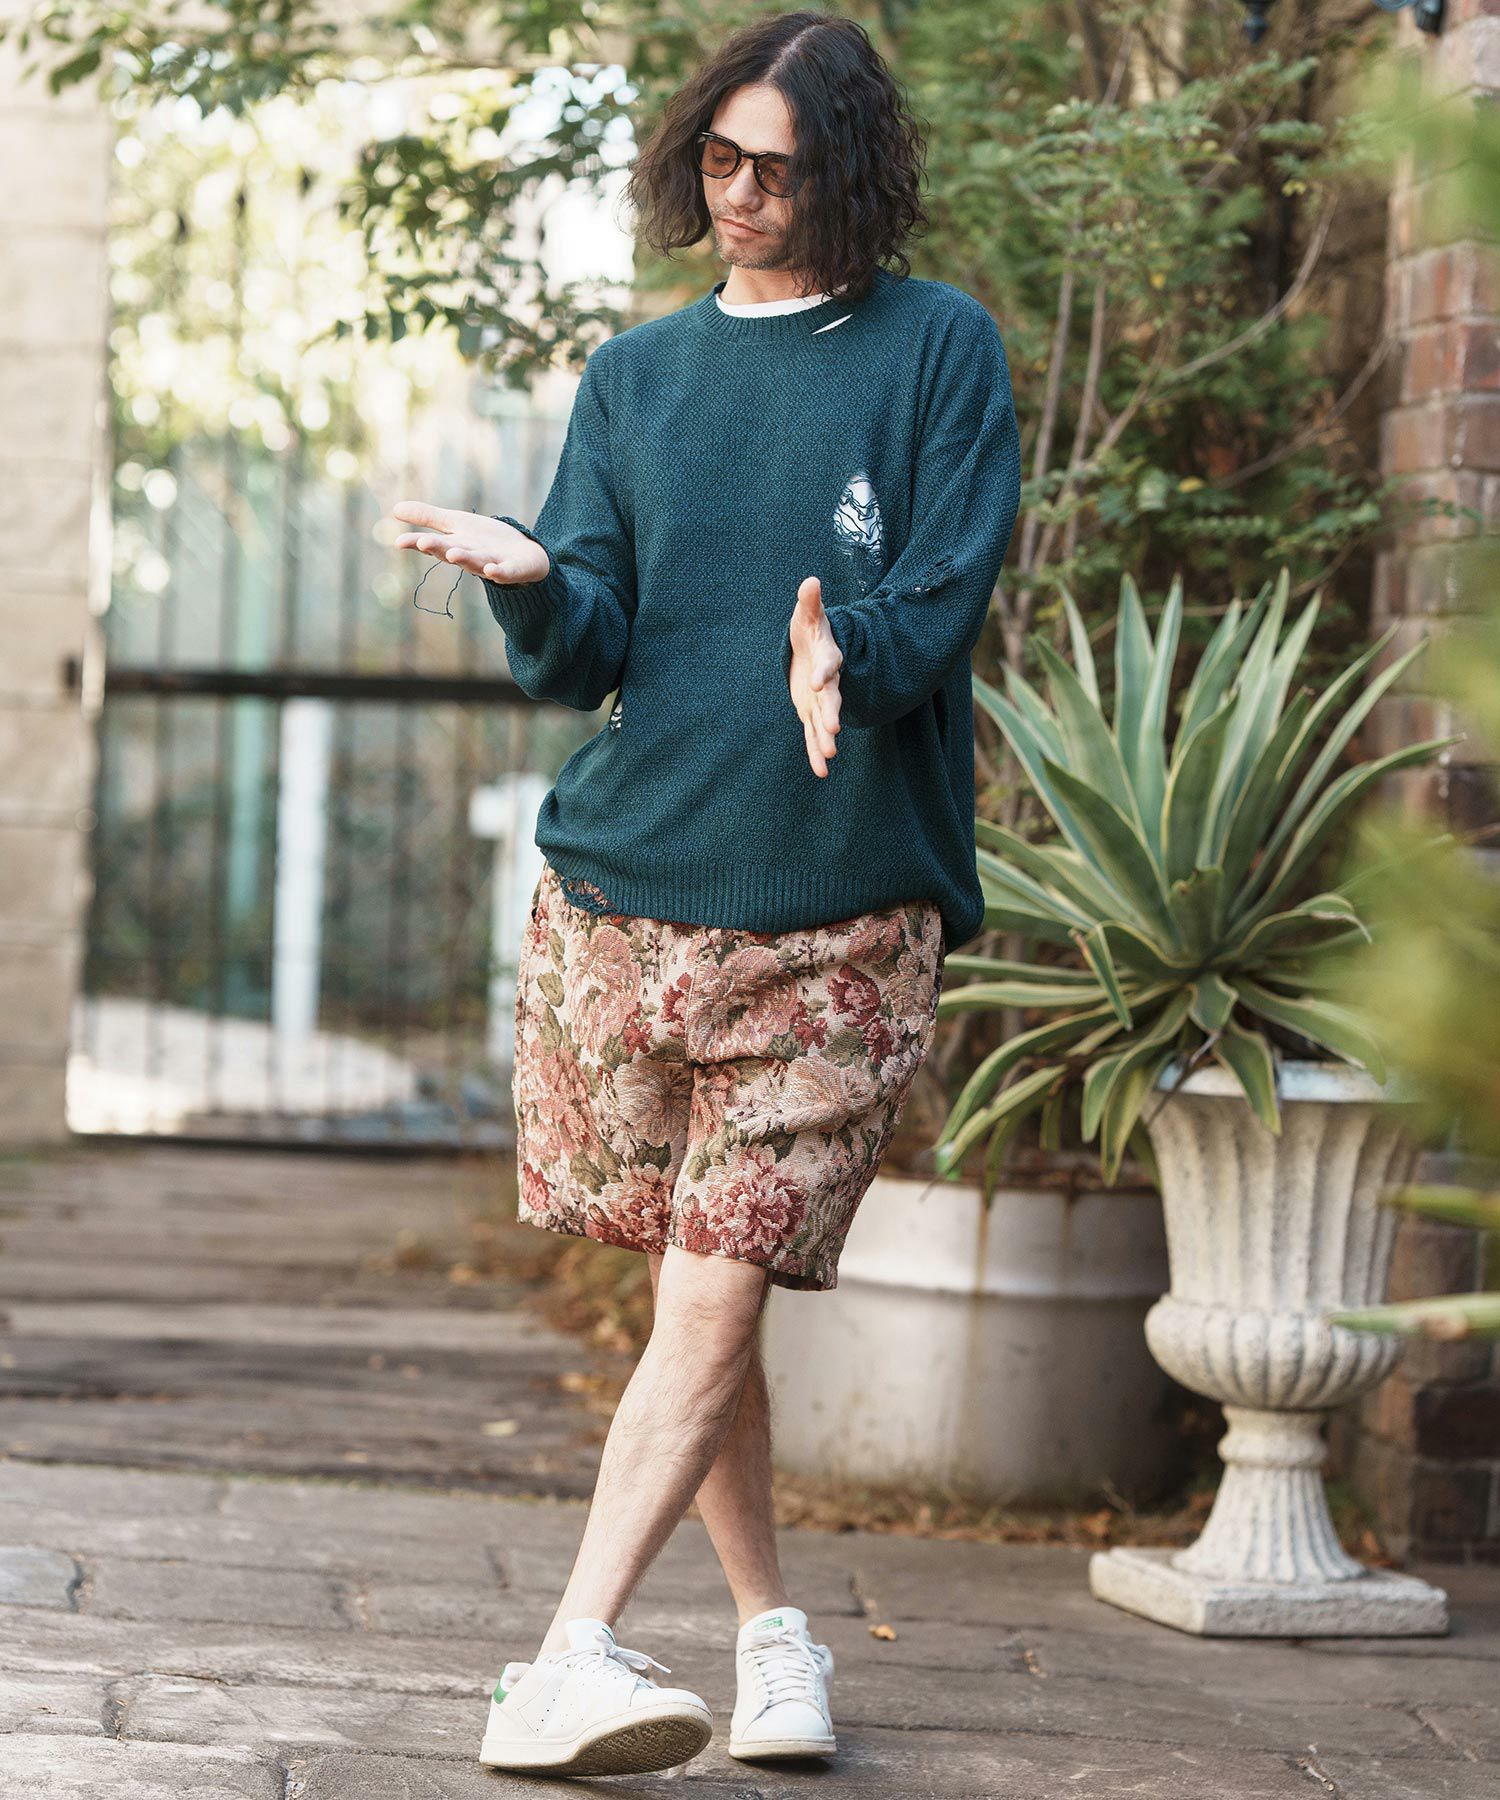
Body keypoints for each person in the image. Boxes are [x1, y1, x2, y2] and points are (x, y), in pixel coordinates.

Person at [391, 9, 1021, 1780]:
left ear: (852, 175)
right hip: (625, 901)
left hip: (838, 915)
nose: (743, 193)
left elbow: (947, 581)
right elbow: (591, 637)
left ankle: (564, 1656)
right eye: (722, 159)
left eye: (782, 168)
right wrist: (533, 578)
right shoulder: (637, 376)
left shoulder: (937, 348)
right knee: (701, 1289)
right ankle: (772, 1638)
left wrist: (849, 657)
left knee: (716, 1289)